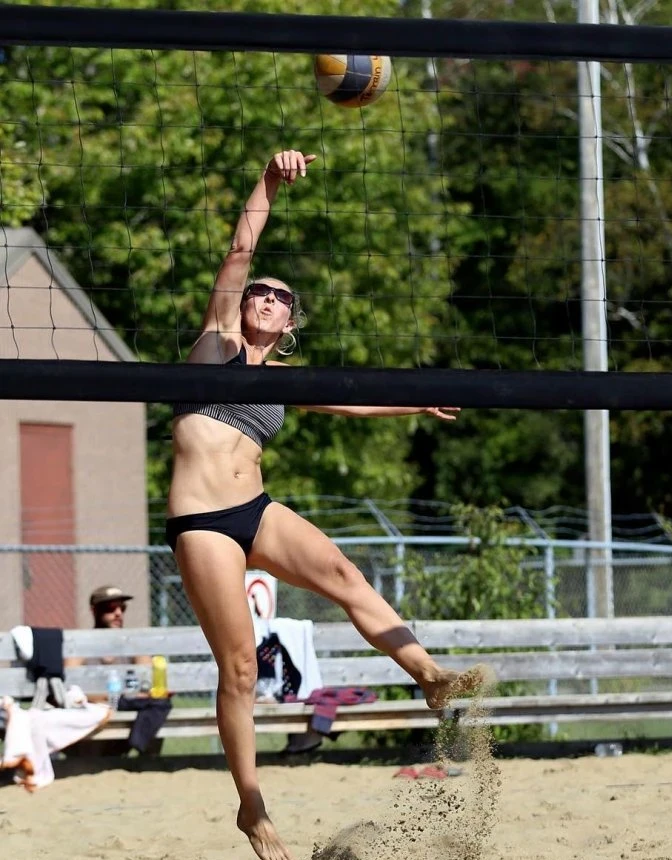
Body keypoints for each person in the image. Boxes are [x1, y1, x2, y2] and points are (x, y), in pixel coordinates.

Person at [167, 148, 484, 860]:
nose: (266, 298)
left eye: (280, 298)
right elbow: (242, 250)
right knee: (241, 668)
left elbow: (349, 399)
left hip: (255, 510)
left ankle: (431, 678)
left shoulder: (280, 377)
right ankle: (251, 809)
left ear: (290, 323)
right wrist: (268, 182)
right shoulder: (216, 345)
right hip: (202, 522)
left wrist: (415, 403)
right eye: (261, 293)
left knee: (345, 575)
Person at [64, 585, 172, 755]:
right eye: (110, 608)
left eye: (122, 608)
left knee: (161, 703)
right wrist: (103, 697)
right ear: (94, 611)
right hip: (94, 706)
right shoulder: (81, 644)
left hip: (124, 702)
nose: (118, 613)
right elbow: (68, 687)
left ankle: (140, 748)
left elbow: (147, 680)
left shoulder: (131, 643)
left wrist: (146, 691)